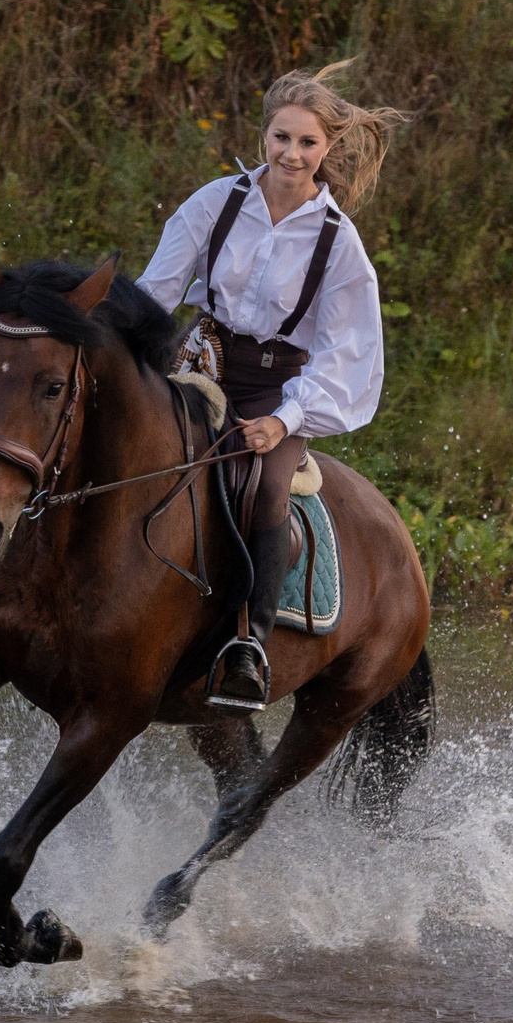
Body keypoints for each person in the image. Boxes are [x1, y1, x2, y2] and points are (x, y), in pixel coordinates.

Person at [139, 62, 410, 708]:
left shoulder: (339, 242)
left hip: (276, 385)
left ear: (327, 150)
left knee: (265, 491)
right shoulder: (216, 200)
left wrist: (285, 421)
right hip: (200, 357)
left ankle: (249, 645)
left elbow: (347, 354)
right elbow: (156, 291)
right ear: (264, 136)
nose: (292, 153)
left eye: (307, 143)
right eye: (281, 138)